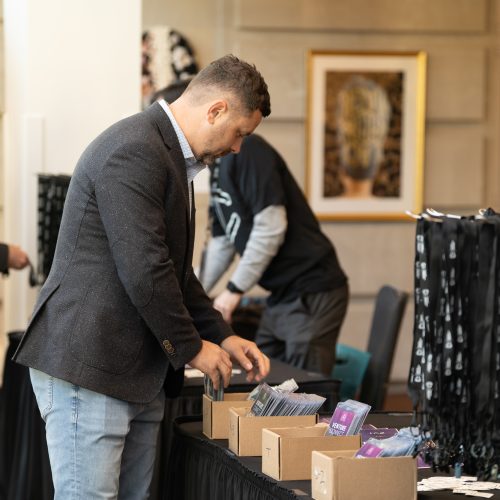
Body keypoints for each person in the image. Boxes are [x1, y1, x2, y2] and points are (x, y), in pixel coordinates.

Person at [13, 54, 271, 499]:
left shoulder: (167, 154)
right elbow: (145, 270)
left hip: (132, 372)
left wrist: (222, 335)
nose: (237, 149)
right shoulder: (134, 148)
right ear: (217, 110)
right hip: (91, 365)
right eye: (240, 134)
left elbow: (174, 271)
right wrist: (193, 348)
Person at [200, 134, 349, 377]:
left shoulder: (247, 151)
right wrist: (190, 294)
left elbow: (270, 228)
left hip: (312, 288)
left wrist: (234, 289)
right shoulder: (217, 170)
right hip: (280, 294)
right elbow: (222, 243)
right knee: (262, 379)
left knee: (303, 389)